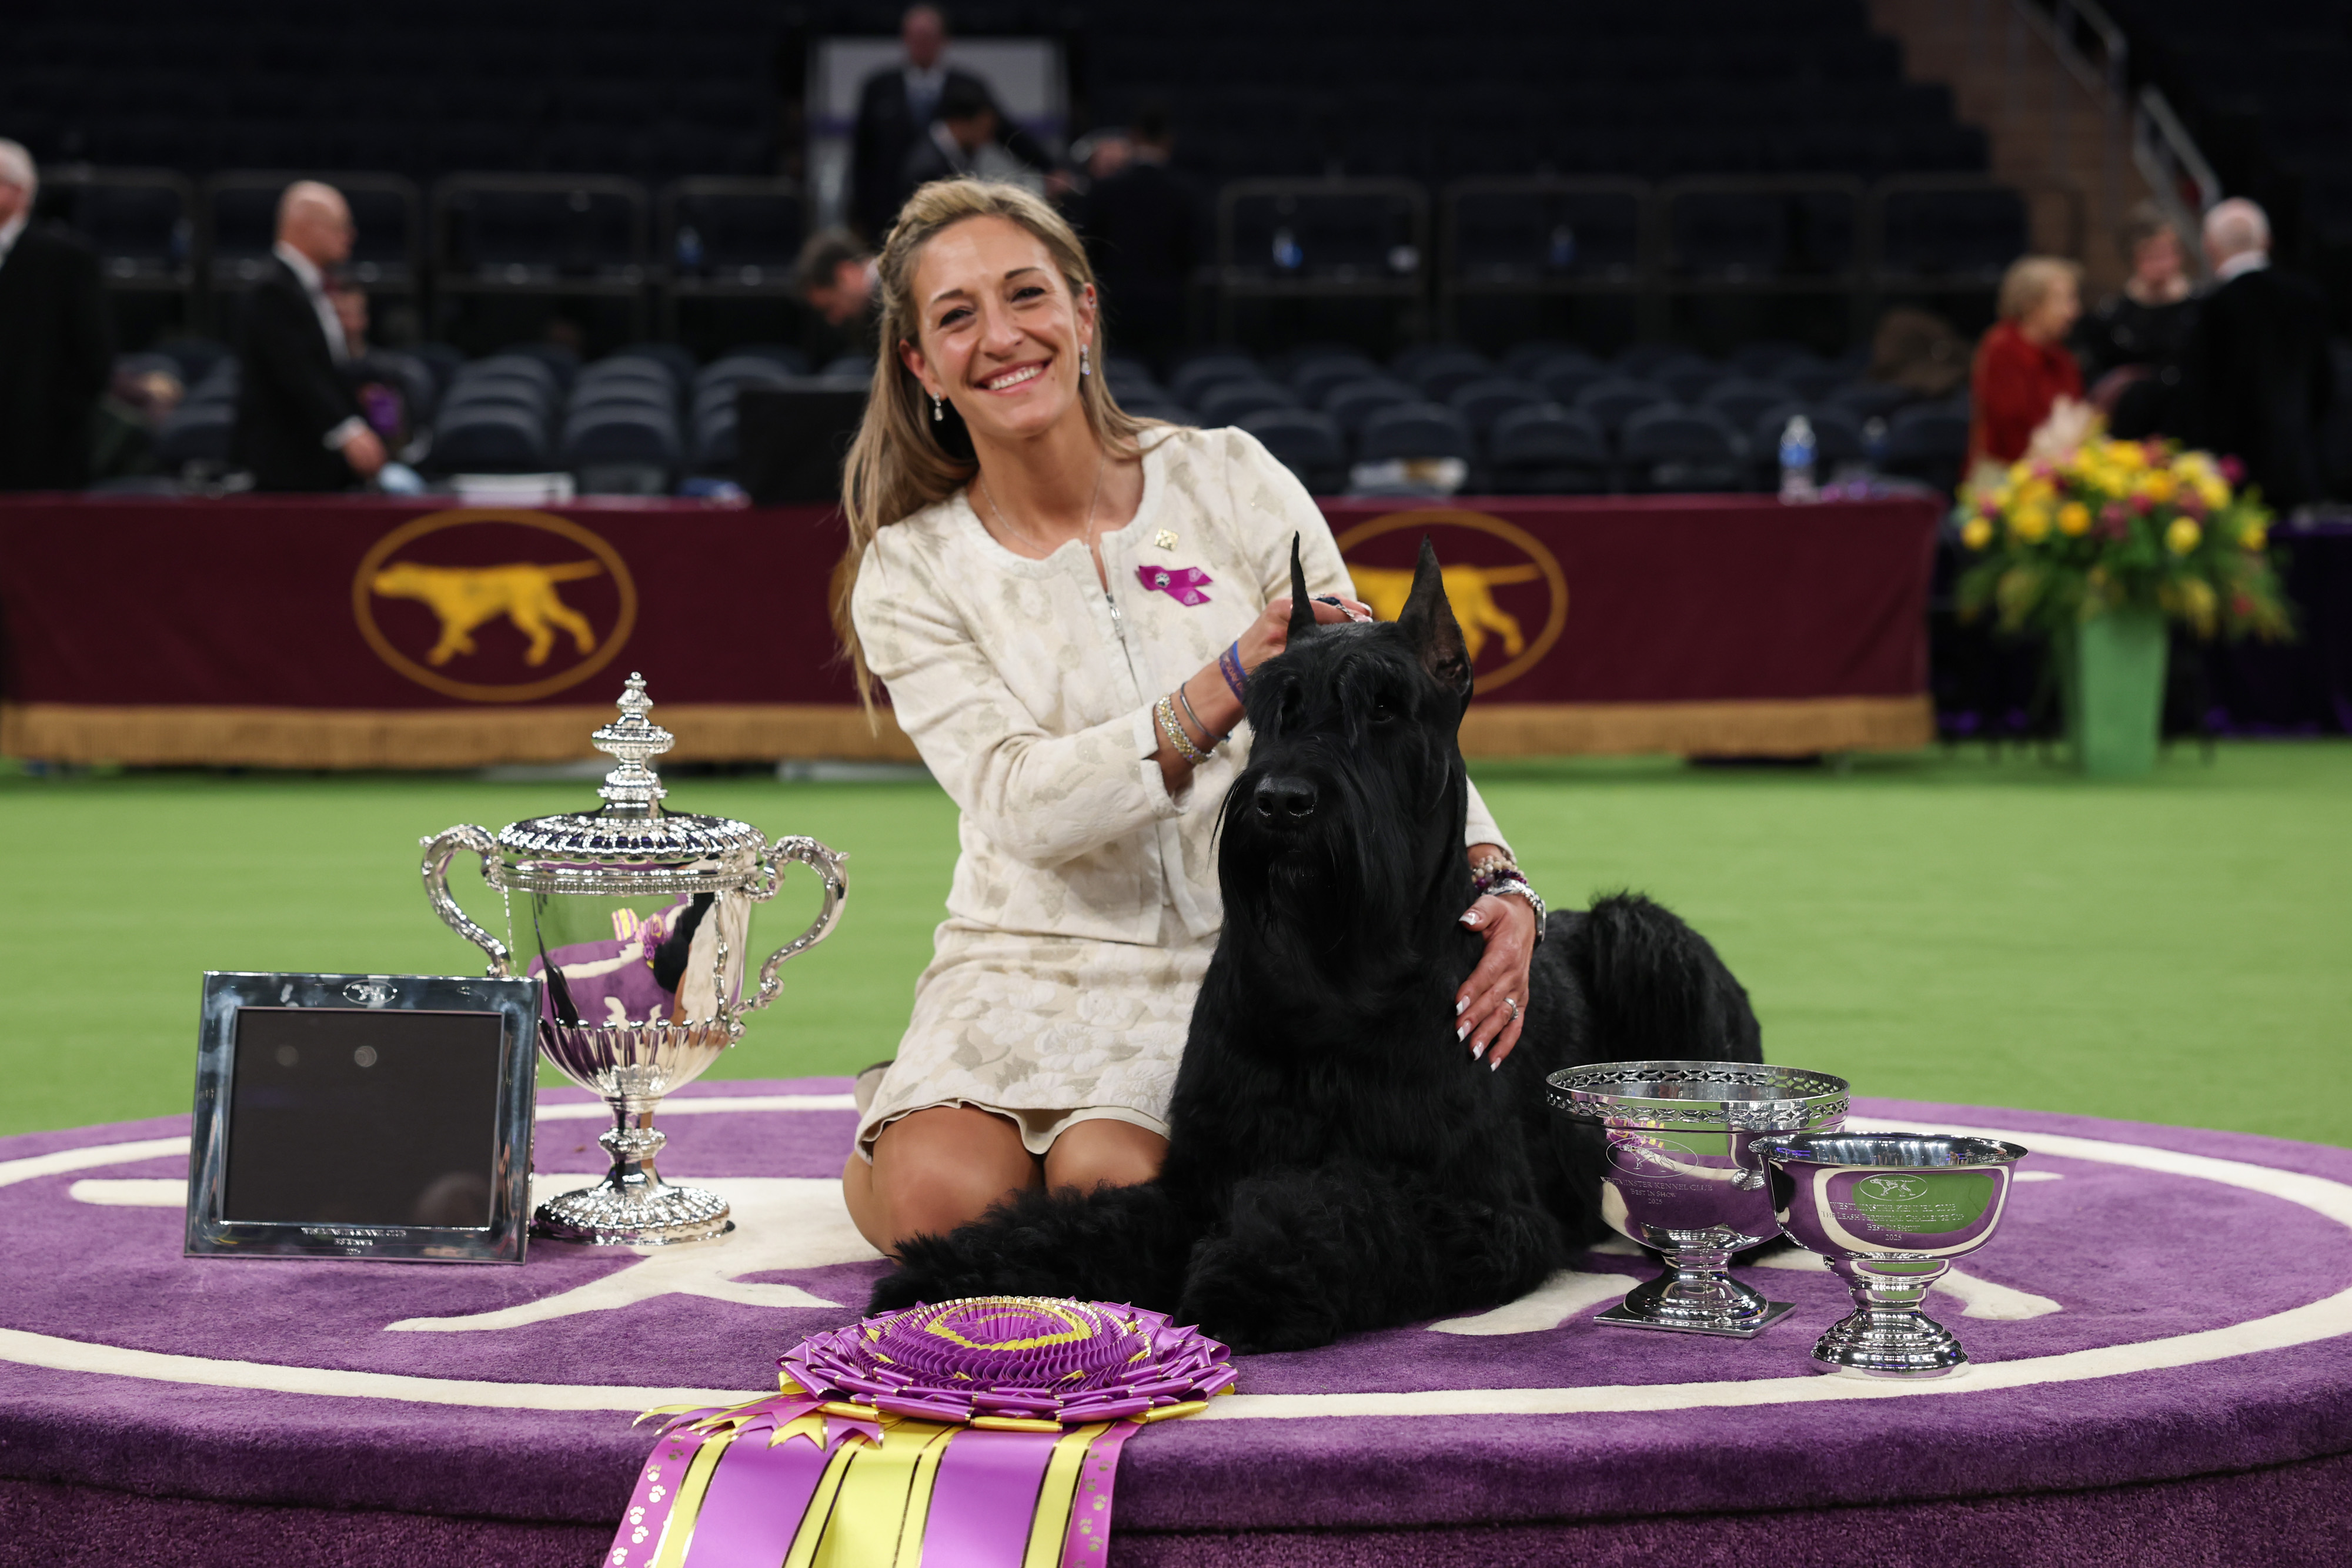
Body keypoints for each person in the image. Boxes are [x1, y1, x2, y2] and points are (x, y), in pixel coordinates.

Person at [833, 179, 1544, 1254]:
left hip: (1239, 956)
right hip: (1018, 952)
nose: (1003, 335)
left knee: (1114, 1199)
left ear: (1084, 314)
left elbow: (1384, 710)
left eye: (1027, 295)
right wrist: (1223, 681)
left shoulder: (1230, 478)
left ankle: (925, 1124)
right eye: (957, 315)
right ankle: (902, 1120)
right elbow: (1021, 805)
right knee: (942, 1209)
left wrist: (1498, 876)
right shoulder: (909, 568)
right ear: (921, 367)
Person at [2173, 198, 2336, 513]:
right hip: (2301, 469)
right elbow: (2325, 386)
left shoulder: (2212, 308)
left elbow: (2198, 399)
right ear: (2266, 242)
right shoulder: (2307, 299)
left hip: (2234, 478)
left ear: (2210, 247)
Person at [230, 181, 386, 492]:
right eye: (341, 226)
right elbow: (297, 370)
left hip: (315, 463)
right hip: (285, 467)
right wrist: (347, 430)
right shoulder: (272, 289)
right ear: (307, 226)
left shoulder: (312, 287)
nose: (351, 236)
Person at [850, 6, 1048, 242]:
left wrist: (1049, 167)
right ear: (904, 39)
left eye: (929, 37)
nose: (921, 44)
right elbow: (862, 155)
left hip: (948, 212)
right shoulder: (878, 88)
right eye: (915, 37)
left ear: (944, 40)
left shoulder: (968, 87)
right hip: (886, 213)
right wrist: (856, 215)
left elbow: (1003, 130)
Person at [0, 139, 113, 492]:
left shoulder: (66, 259)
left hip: (43, 449)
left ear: (18, 191)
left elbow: (94, 355)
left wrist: (55, 417)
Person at [1073, 102, 1201, 369]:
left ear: (1134, 137)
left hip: (1114, 304)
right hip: (1167, 305)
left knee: (1115, 382)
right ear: (1168, 142)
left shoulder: (1105, 190)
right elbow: (1192, 254)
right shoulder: (1185, 193)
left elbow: (1088, 248)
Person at [2074, 203, 2199, 436]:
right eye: (2151, 255)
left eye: (2169, 252)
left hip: (2187, 423)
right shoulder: (2111, 316)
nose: (2163, 264)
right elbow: (2099, 384)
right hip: (2130, 432)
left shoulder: (2201, 308)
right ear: (2133, 257)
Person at [1967, 255, 2084, 470]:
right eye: (2064, 300)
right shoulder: (2002, 348)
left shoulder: (2062, 358)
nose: (2073, 312)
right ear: (2032, 305)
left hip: (2055, 469)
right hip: (2007, 474)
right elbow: (2012, 430)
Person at [896, 77, 1039, 209]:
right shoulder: (928, 170)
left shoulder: (949, 154)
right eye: (984, 129)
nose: (987, 139)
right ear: (961, 123)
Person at [794, 228, 881, 361]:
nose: (834, 319)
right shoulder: (875, 304)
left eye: (831, 306)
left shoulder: (893, 291)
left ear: (845, 274)